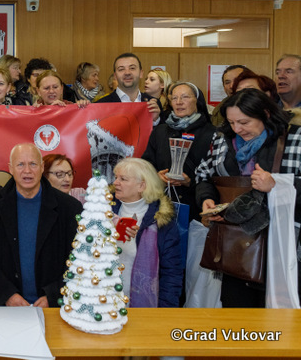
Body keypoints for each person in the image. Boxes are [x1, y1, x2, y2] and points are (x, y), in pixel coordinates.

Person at [195, 88, 301, 307]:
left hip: (280, 244)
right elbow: (204, 175)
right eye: (231, 122)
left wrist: (277, 185)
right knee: (236, 310)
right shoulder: (223, 140)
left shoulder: (294, 138)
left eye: (244, 122)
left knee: (277, 312)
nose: (237, 129)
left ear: (266, 114)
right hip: (234, 246)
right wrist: (207, 198)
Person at [0, 143, 81, 307]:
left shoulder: (69, 207)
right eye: (20, 164)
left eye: (33, 164)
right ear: (11, 169)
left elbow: (79, 260)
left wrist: (54, 295)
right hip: (5, 308)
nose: (27, 171)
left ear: (42, 167)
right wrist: (7, 295)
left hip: (56, 307)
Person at [111, 158, 182, 308]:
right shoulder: (102, 211)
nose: (115, 182)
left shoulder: (161, 221)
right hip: (102, 302)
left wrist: (165, 310)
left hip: (141, 306)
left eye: (123, 179)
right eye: (116, 177)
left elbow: (171, 272)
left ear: (142, 186)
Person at [142, 82, 215, 222]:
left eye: (185, 97)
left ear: (197, 101)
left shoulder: (212, 133)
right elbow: (146, 164)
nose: (179, 102)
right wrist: (157, 177)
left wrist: (190, 182)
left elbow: (217, 176)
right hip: (162, 207)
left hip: (198, 209)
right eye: (174, 98)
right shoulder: (160, 131)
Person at [96, 53, 161, 123]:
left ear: (141, 73)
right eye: (121, 69)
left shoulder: (154, 104)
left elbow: (163, 129)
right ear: (115, 76)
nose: (127, 73)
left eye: (132, 68)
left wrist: (155, 120)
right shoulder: (100, 106)